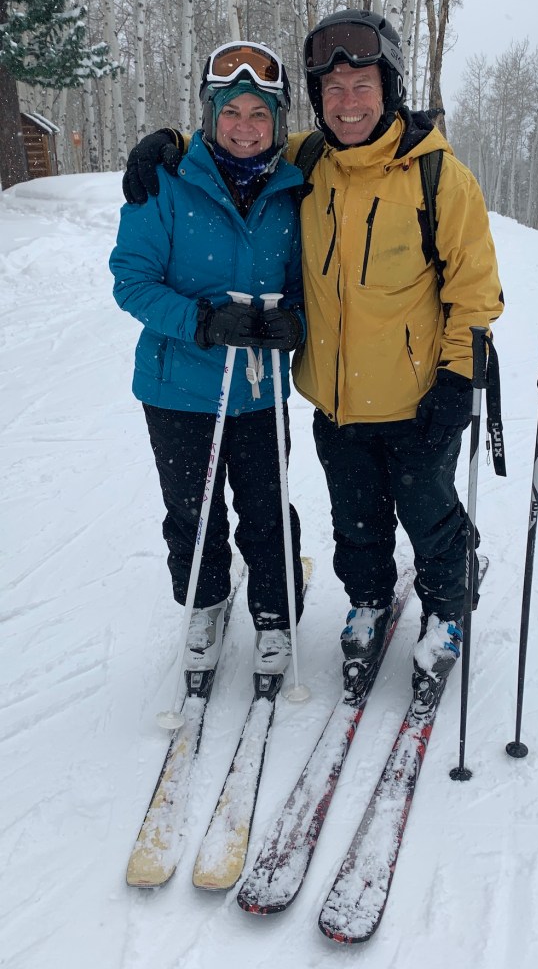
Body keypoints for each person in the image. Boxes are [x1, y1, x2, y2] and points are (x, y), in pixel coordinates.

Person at [121, 11, 504, 693]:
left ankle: (446, 611)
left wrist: (457, 377)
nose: (347, 103)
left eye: (362, 86)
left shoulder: (438, 177)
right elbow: (234, 139)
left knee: (428, 514)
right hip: (334, 396)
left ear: (388, 89)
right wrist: (166, 143)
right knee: (355, 522)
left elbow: (474, 292)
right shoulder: (307, 162)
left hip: (415, 393)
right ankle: (368, 601)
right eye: (332, 90)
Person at [110, 41, 306, 681]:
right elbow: (131, 280)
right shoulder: (164, 181)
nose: (245, 127)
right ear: (209, 115)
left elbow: (308, 285)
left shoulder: (295, 187)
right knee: (194, 512)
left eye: (260, 113)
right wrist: (201, 321)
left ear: (278, 120)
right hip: (177, 388)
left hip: (259, 388)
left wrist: (295, 321)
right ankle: (205, 603)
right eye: (231, 112)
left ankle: (275, 614)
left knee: (268, 509)